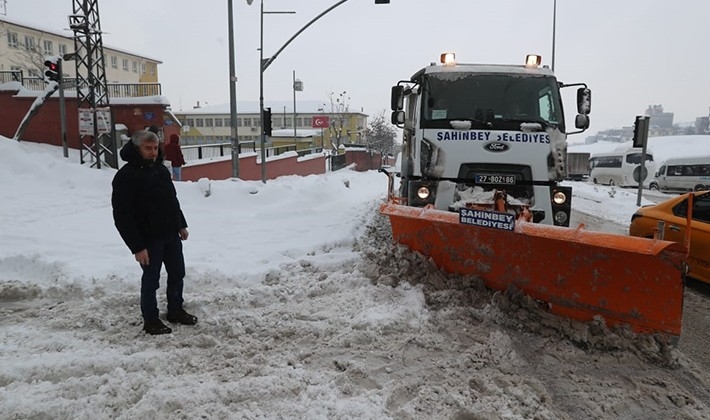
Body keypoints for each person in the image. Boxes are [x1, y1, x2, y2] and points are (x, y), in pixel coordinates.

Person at [111, 130, 198, 335]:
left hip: (170, 234)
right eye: (147, 148)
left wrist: (180, 225)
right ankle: (150, 319)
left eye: (155, 148)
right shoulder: (126, 176)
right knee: (151, 280)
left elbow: (171, 201)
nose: (152, 152)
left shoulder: (160, 170)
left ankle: (175, 309)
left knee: (177, 273)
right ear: (137, 149)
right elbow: (122, 216)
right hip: (148, 240)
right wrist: (137, 247)